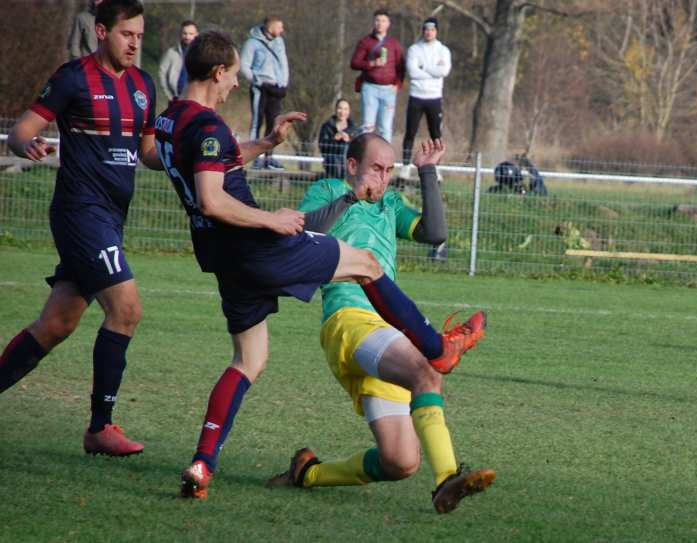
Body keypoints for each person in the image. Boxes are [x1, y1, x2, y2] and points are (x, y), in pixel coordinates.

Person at [153, 31, 487, 499]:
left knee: (249, 360)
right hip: (255, 245)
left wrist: (265, 143)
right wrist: (270, 218)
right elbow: (211, 199)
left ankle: (202, 464)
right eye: (233, 75)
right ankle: (439, 345)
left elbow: (172, 161)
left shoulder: (171, 123)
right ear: (217, 73)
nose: (236, 85)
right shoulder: (210, 127)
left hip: (223, 259)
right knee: (367, 264)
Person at [265, 137, 495, 514]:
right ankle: (448, 478)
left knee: (400, 462)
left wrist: (427, 170)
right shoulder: (330, 190)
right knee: (426, 370)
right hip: (348, 321)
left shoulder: (390, 204)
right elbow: (306, 232)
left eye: (389, 171)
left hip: (388, 331)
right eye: (376, 168)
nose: (383, 179)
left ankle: (307, 473)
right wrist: (351, 197)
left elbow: (434, 233)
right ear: (353, 166)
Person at [0, 0, 162, 456]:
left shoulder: (143, 86)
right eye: (126, 34)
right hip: (80, 212)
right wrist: (25, 143)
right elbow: (20, 131)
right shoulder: (74, 77)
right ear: (101, 31)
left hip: (110, 218)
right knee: (126, 309)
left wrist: (181, 158)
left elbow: (148, 154)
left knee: (55, 324)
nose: (134, 43)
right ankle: (99, 427)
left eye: (140, 36)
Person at [400, 17, 451, 179]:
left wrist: (424, 67)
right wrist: (432, 71)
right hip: (416, 96)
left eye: (432, 30)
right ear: (423, 31)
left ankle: (436, 166)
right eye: (426, 29)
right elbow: (413, 73)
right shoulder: (414, 49)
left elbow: (443, 71)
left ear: (436, 31)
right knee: (410, 132)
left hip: (434, 97)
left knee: (436, 133)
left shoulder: (443, 50)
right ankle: (406, 166)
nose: (428, 32)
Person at [240, 16, 289, 170]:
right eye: (280, 27)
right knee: (257, 122)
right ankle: (254, 157)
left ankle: (269, 157)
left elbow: (284, 63)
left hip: (276, 88)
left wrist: (284, 83)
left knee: (274, 122)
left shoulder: (279, 42)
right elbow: (244, 65)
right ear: (271, 27)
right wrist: (256, 80)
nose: (282, 30)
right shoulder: (252, 43)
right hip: (260, 88)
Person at [350, 8, 405, 143]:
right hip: (370, 88)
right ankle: (364, 156)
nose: (380, 23)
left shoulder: (394, 44)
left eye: (383, 21)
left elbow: (401, 67)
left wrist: (397, 85)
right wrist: (372, 63)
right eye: (377, 20)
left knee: (385, 128)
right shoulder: (365, 42)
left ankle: (385, 159)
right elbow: (354, 63)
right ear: (373, 23)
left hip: (388, 90)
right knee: (367, 126)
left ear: (388, 23)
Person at [158, 19, 198, 102]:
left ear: (196, 35)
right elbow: (162, 73)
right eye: (185, 33)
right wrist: (170, 96)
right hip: (175, 100)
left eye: (191, 34)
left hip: (194, 100)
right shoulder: (171, 53)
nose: (187, 37)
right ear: (180, 34)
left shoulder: (201, 54)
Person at [318, 98, 359, 179]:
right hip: (331, 162)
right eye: (340, 108)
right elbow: (322, 147)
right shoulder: (327, 126)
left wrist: (349, 140)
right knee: (337, 164)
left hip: (348, 163)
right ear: (336, 109)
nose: (342, 112)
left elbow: (358, 149)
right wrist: (334, 139)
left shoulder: (353, 128)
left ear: (349, 111)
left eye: (345, 109)